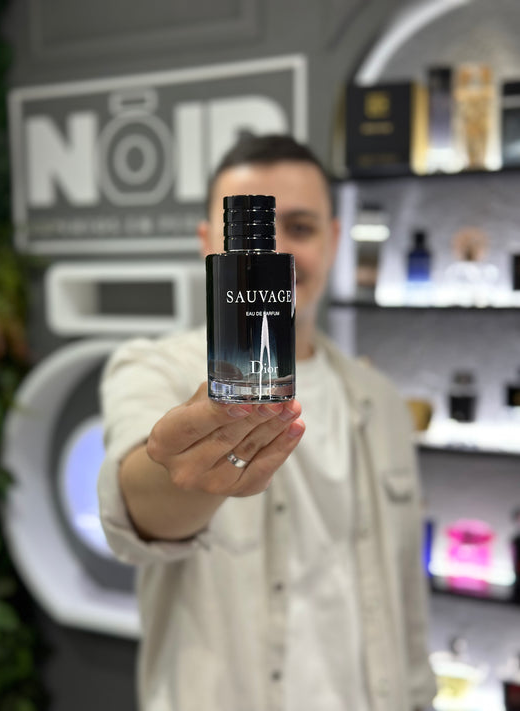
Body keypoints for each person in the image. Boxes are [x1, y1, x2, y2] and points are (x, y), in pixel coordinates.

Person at [98, 134, 436, 711]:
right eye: (246, 230)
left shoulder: (380, 401)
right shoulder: (152, 370)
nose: (272, 249)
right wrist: (181, 476)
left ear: (333, 240)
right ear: (209, 243)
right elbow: (139, 506)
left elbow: (408, 595)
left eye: (300, 227)